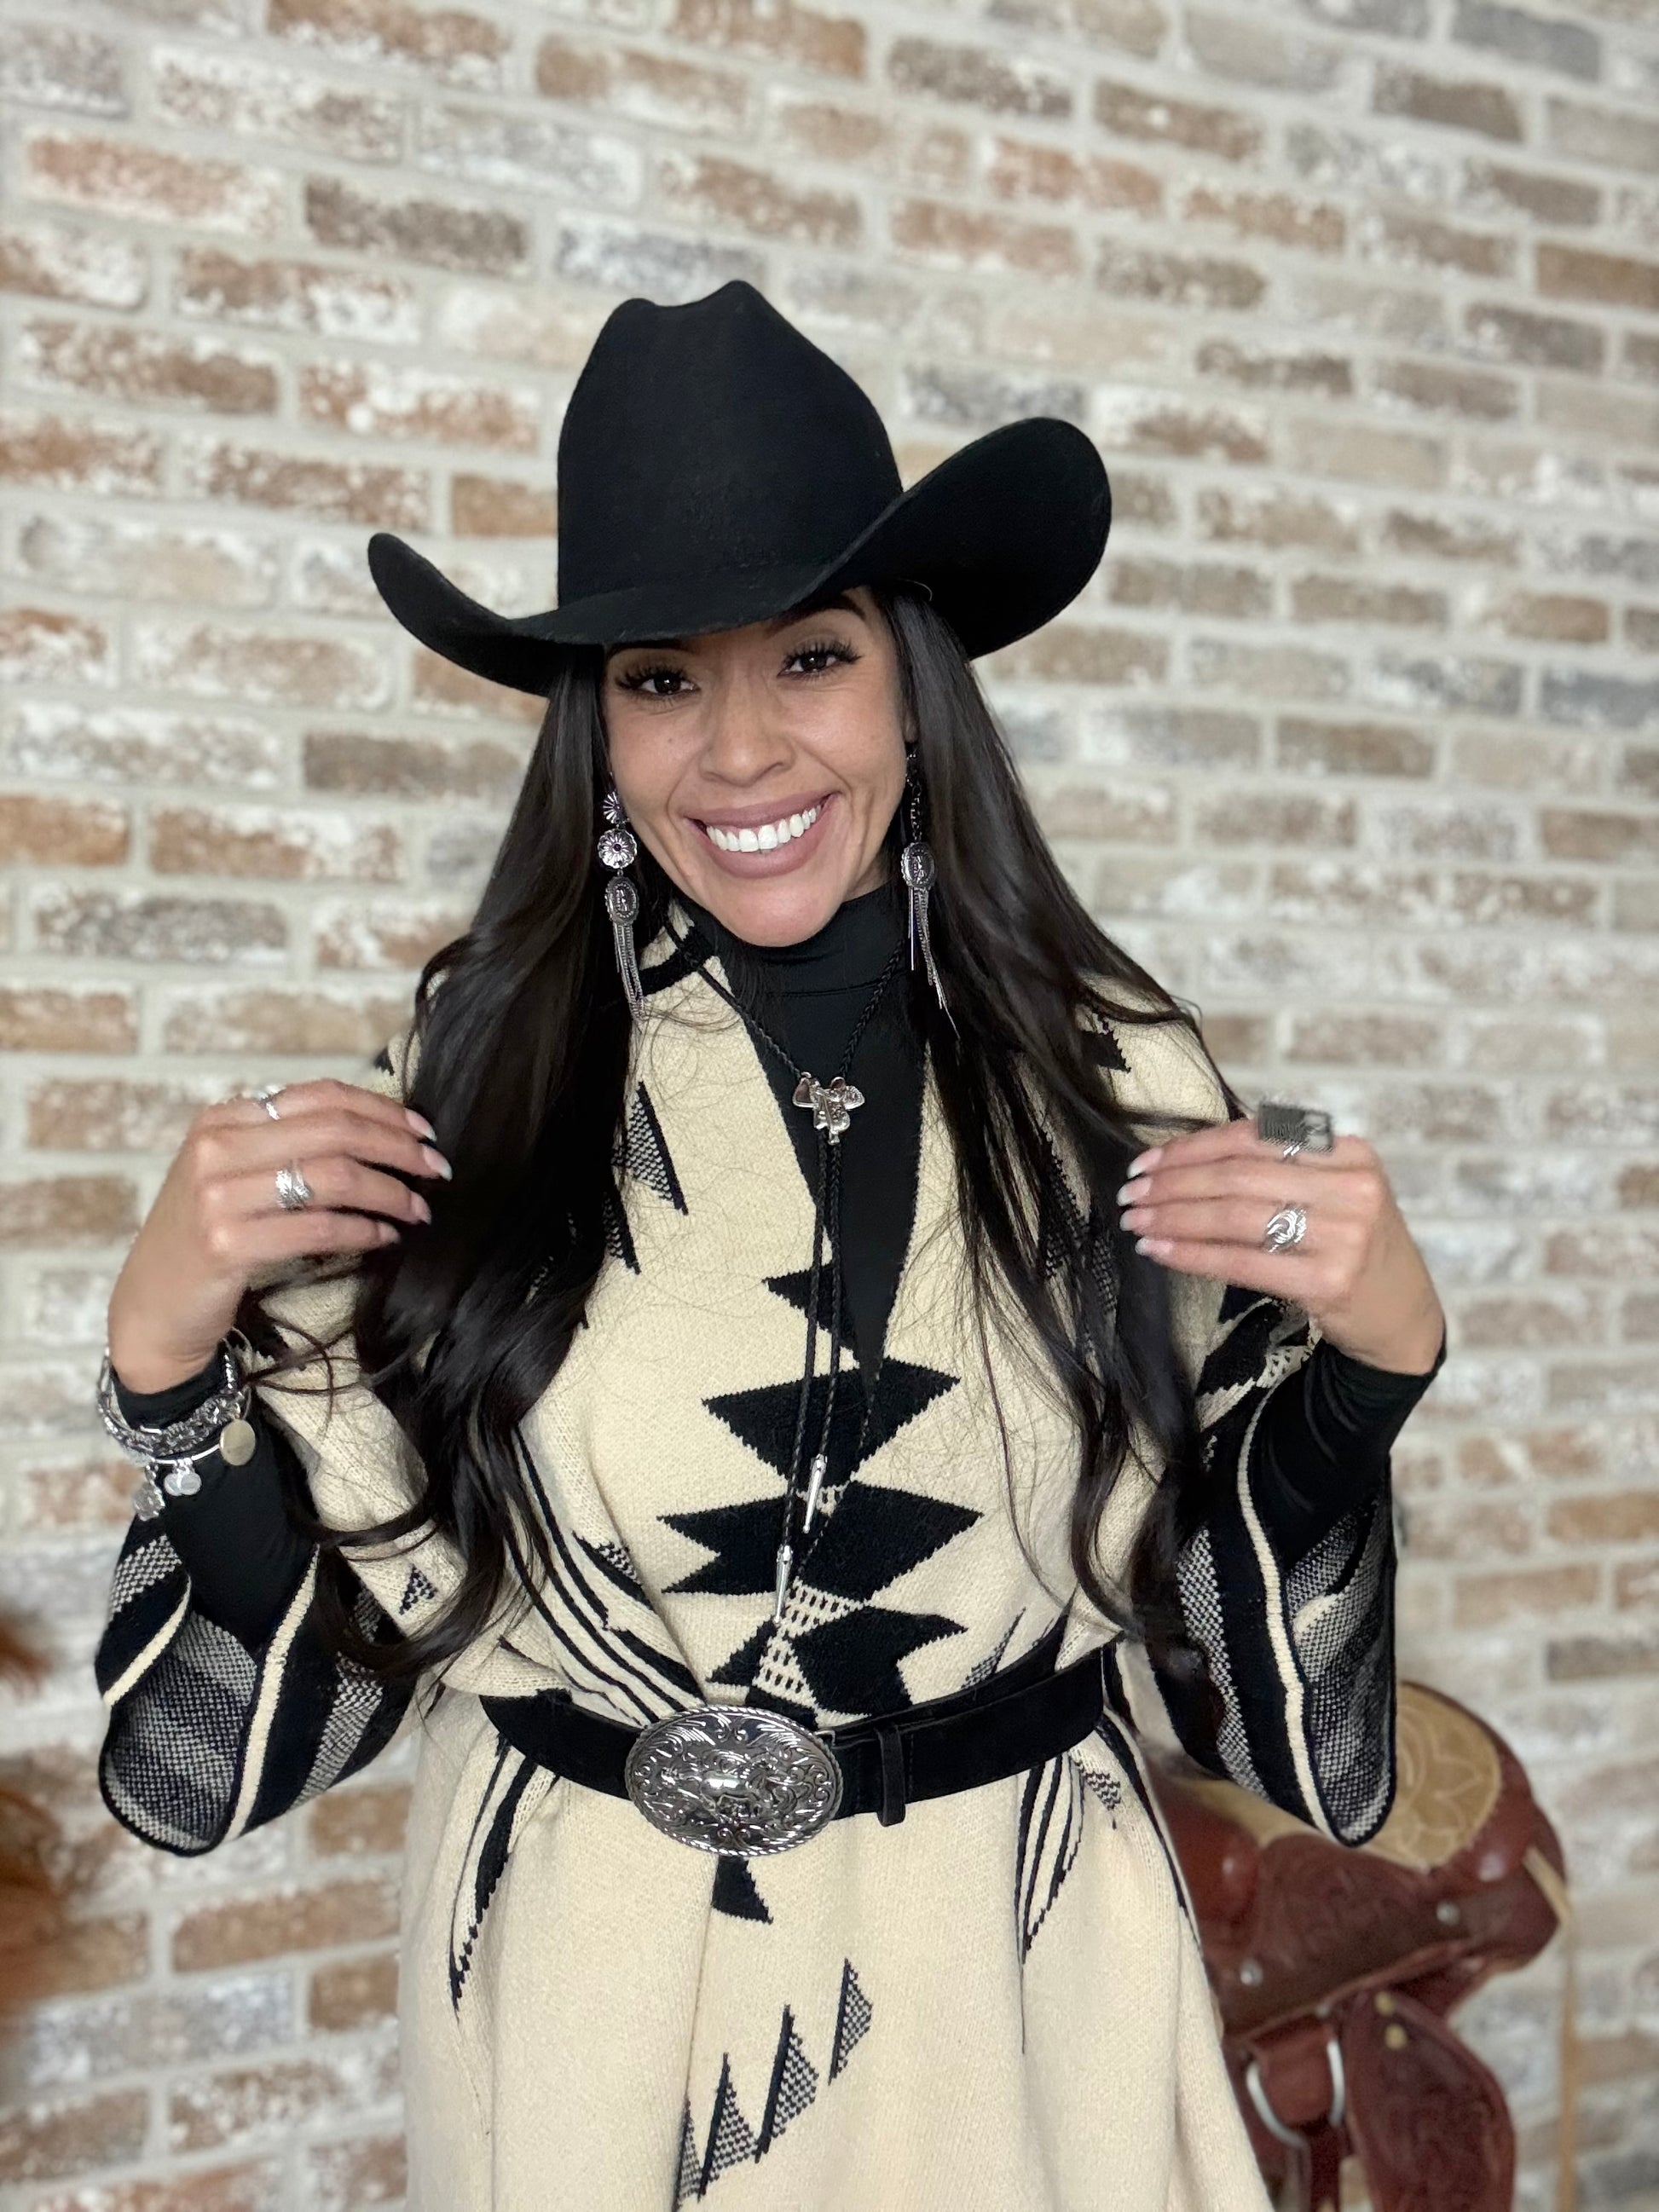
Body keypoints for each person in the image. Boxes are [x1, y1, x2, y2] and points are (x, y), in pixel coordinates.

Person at [93, 280, 1446, 2212]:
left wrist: (1373, 1364)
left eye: (809, 658)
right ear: (595, 730)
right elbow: (336, 1649)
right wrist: (164, 1360)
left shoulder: (1116, 1078)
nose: (737, 750)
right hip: (595, 1985)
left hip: (1016, 1970)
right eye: (662, 679)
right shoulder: (471, 1085)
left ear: (911, 684)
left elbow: (1214, 1638)